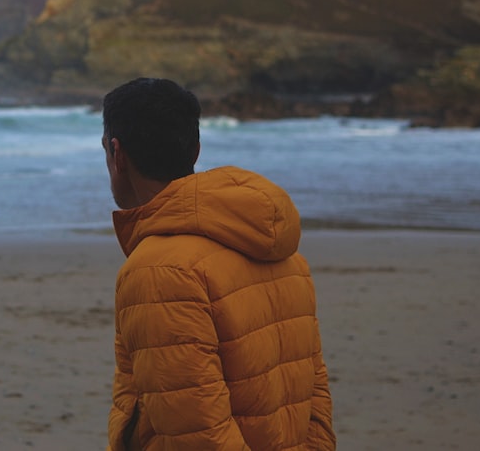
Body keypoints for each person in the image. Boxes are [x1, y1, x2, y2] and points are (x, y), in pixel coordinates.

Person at [102, 78, 335, 450]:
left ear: (117, 154)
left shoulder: (158, 271)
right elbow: (316, 397)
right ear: (195, 150)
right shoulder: (283, 253)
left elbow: (195, 435)